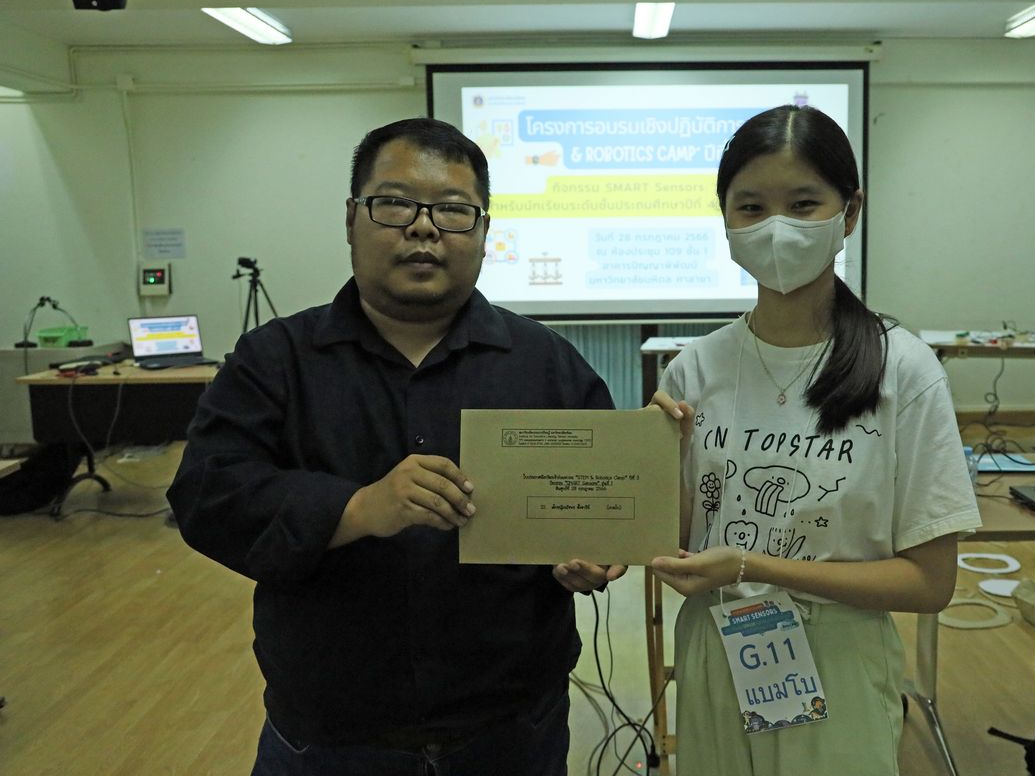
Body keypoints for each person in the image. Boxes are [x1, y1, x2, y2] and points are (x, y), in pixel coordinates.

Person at [167, 117, 623, 776]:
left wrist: (592, 553)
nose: (423, 228)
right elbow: (207, 494)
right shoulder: (276, 359)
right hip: (328, 735)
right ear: (351, 218)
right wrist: (356, 509)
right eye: (395, 204)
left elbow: (601, 502)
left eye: (453, 210)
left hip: (512, 729)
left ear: (485, 232)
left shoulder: (545, 363)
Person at [648, 104, 982, 775]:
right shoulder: (693, 370)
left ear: (849, 212)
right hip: (714, 649)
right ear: (725, 220)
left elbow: (930, 582)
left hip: (838, 657)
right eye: (751, 207)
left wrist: (755, 567)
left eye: (803, 204)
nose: (776, 227)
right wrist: (661, 464)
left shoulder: (903, 369)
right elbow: (676, 544)